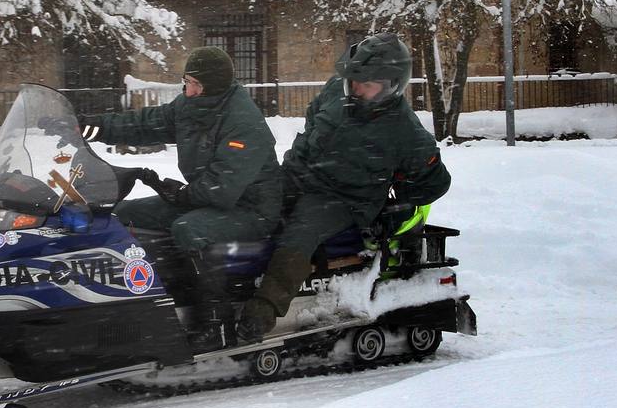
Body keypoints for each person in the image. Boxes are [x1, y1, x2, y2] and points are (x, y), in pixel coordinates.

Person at [236, 32, 451, 343]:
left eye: (368, 85)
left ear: (392, 86)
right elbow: (312, 120)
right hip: (299, 174)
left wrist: (400, 200)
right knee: (249, 194)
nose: (357, 88)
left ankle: (266, 307)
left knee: (301, 230)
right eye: (354, 80)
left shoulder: (406, 132)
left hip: (344, 200)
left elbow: (436, 182)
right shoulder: (337, 88)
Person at [79, 46, 282, 350]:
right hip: (203, 200)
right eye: (186, 81)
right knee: (121, 214)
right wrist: (93, 127)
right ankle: (136, 298)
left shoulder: (243, 122)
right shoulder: (191, 106)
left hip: (251, 210)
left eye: (195, 84)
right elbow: (146, 124)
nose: (187, 90)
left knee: (189, 229)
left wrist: (183, 194)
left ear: (213, 86)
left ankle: (216, 323)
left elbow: (223, 188)